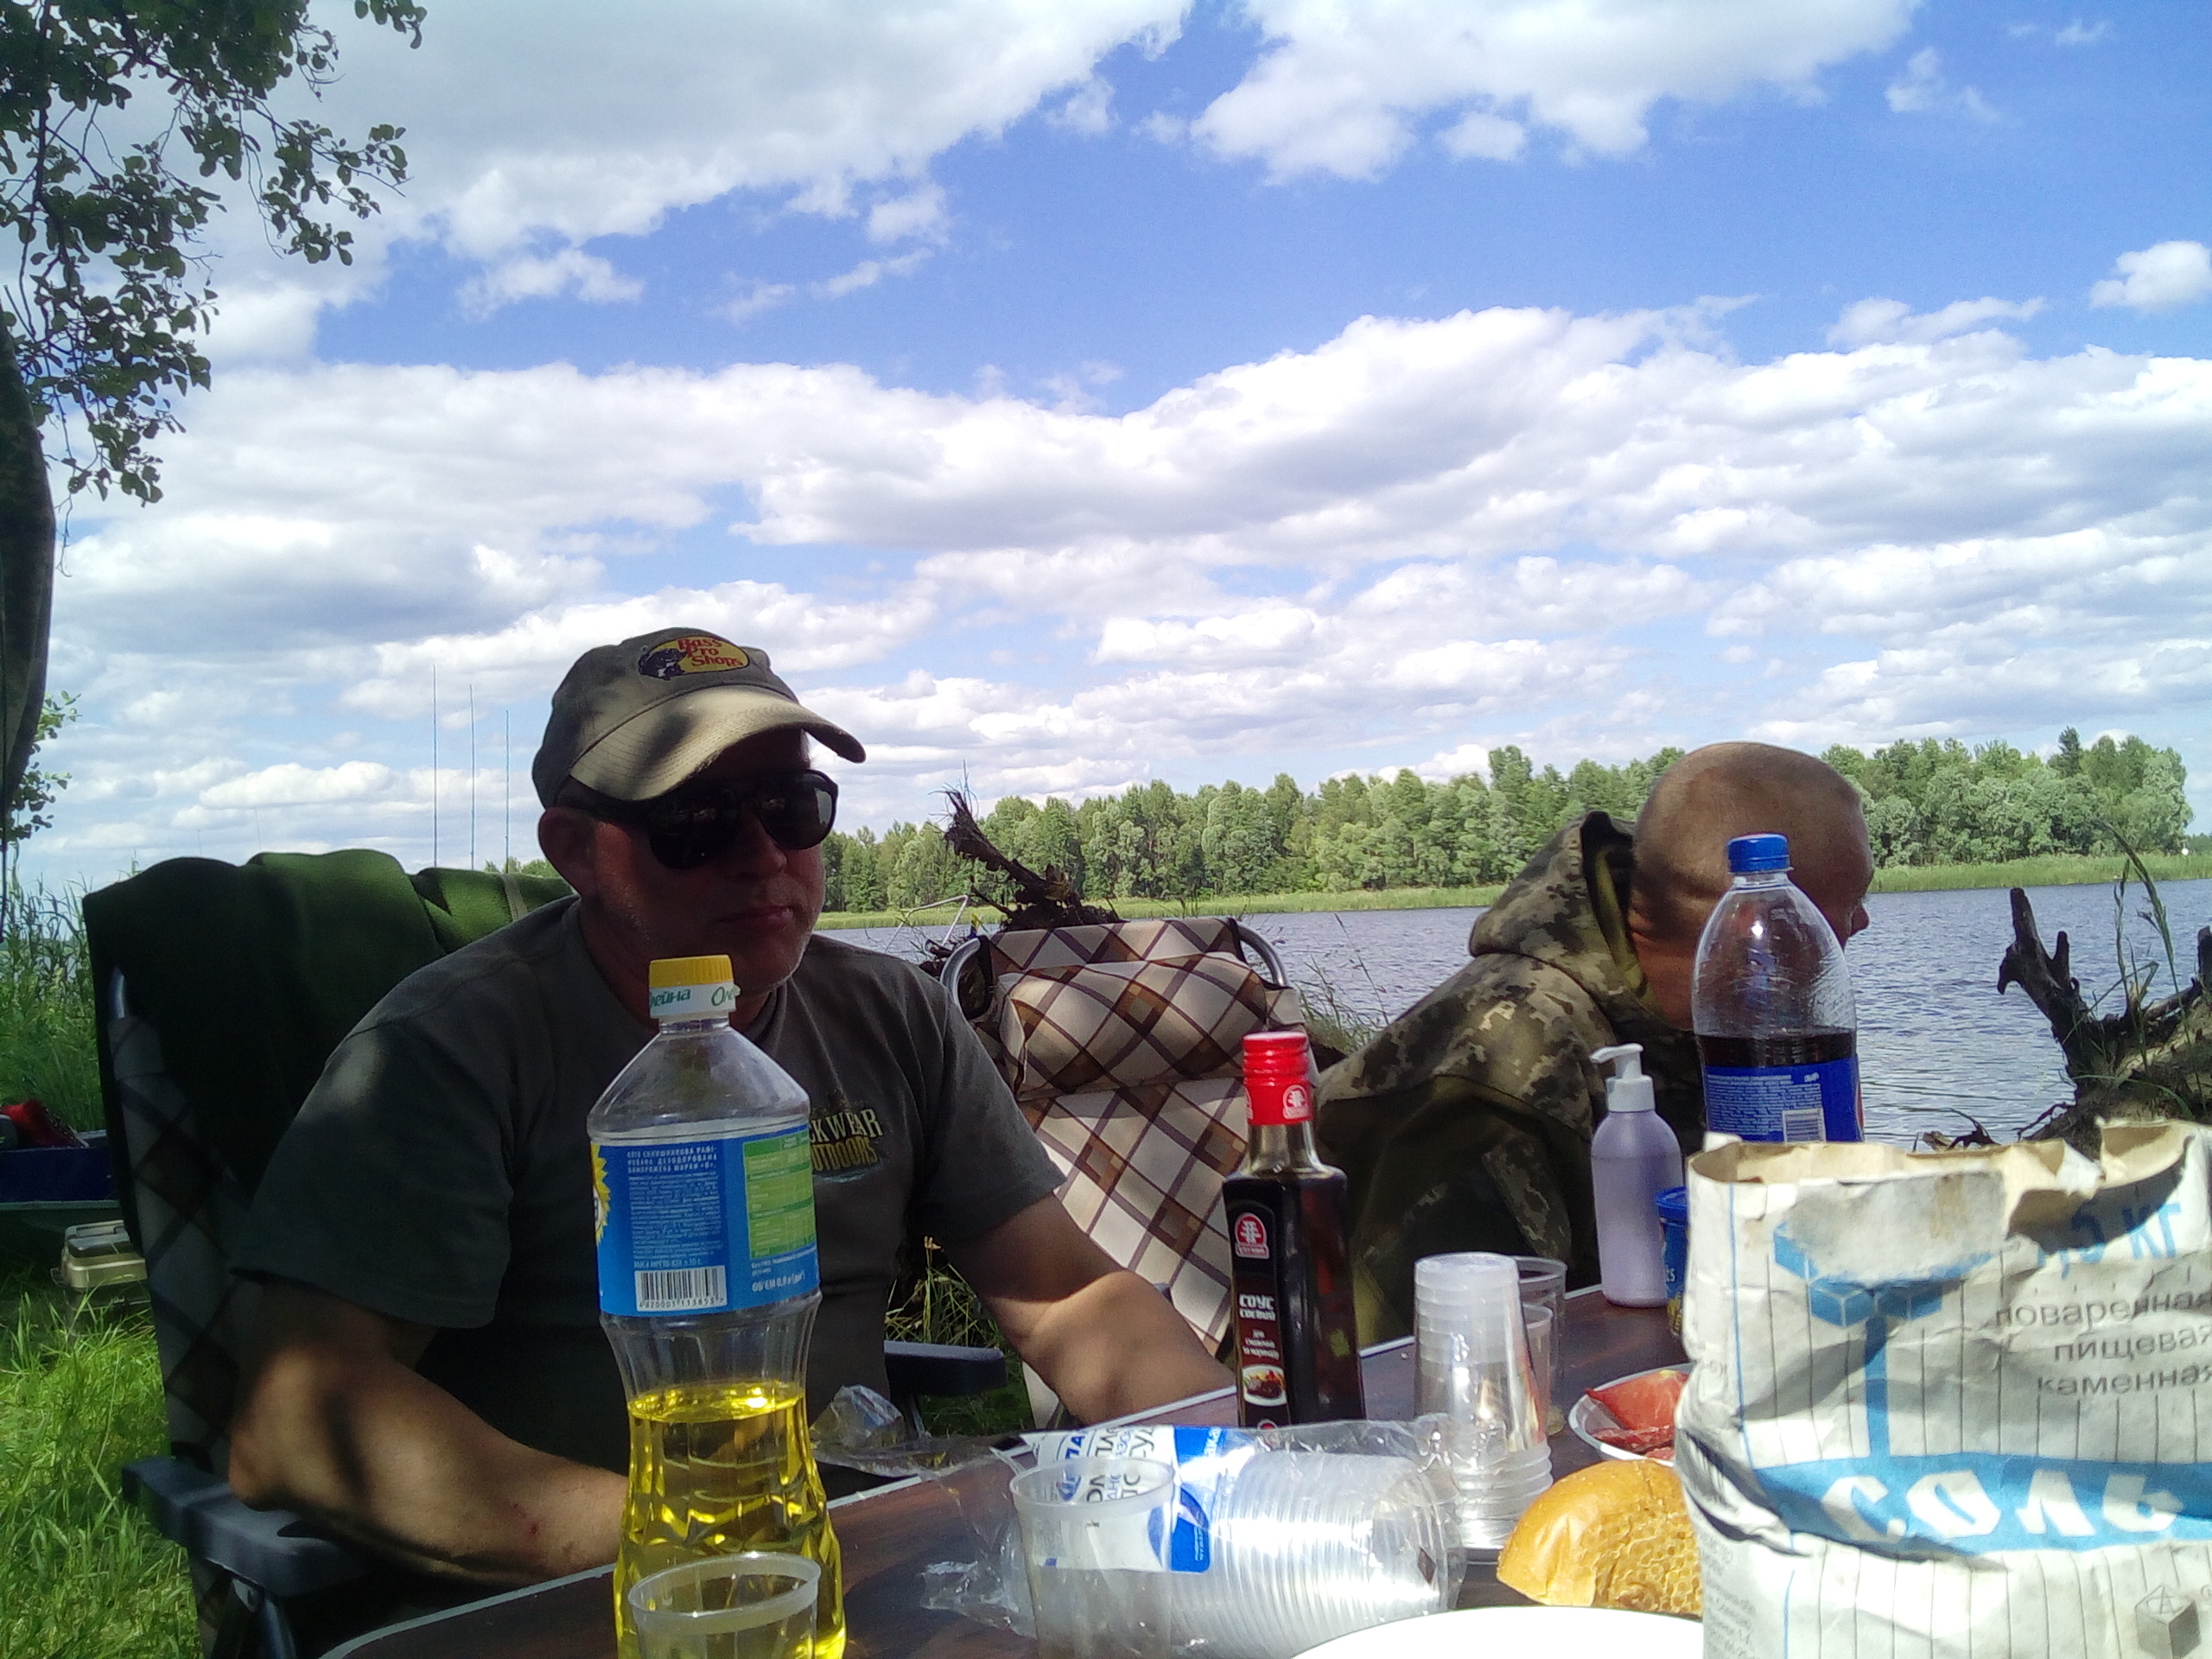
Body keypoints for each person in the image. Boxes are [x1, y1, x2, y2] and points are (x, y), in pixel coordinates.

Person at [226, 626, 1229, 1592]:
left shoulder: (894, 1016)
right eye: (696, 820)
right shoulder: (450, 1050)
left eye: (793, 807)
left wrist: (1238, 1471)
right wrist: (702, 1551)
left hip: (868, 1563)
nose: (761, 854)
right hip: (585, 1585)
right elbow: (296, 1416)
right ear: (575, 849)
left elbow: (1066, 1299)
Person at [1315, 741, 1872, 1344]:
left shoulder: (1723, 1030)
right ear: (1760, 917)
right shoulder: (1503, 1065)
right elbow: (1438, 1357)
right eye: (1853, 899)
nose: (1863, 923)